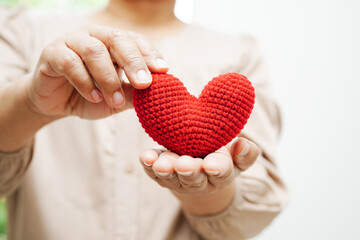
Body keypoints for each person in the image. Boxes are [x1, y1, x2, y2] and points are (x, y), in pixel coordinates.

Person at [0, 0, 288, 239]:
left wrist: (203, 191)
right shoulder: (22, 32)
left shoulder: (239, 53)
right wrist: (31, 104)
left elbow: (250, 218)